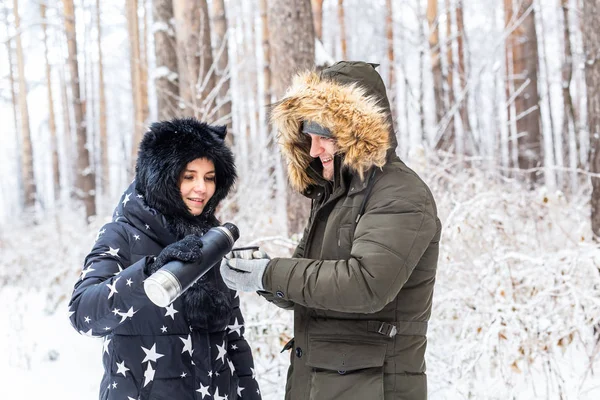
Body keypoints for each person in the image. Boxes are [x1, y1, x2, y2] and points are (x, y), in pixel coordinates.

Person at [220, 61, 441, 400]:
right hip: (322, 383)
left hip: (373, 388)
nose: (314, 150)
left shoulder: (400, 193)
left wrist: (270, 274)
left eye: (324, 138)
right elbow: (310, 288)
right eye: (309, 137)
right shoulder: (332, 196)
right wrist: (260, 275)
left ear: (358, 132)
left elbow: (364, 285)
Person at [68, 118, 261, 400]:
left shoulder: (213, 240)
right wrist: (150, 272)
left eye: (209, 178)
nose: (201, 189)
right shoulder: (122, 234)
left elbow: (234, 340)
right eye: (189, 176)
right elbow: (83, 314)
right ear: (163, 177)